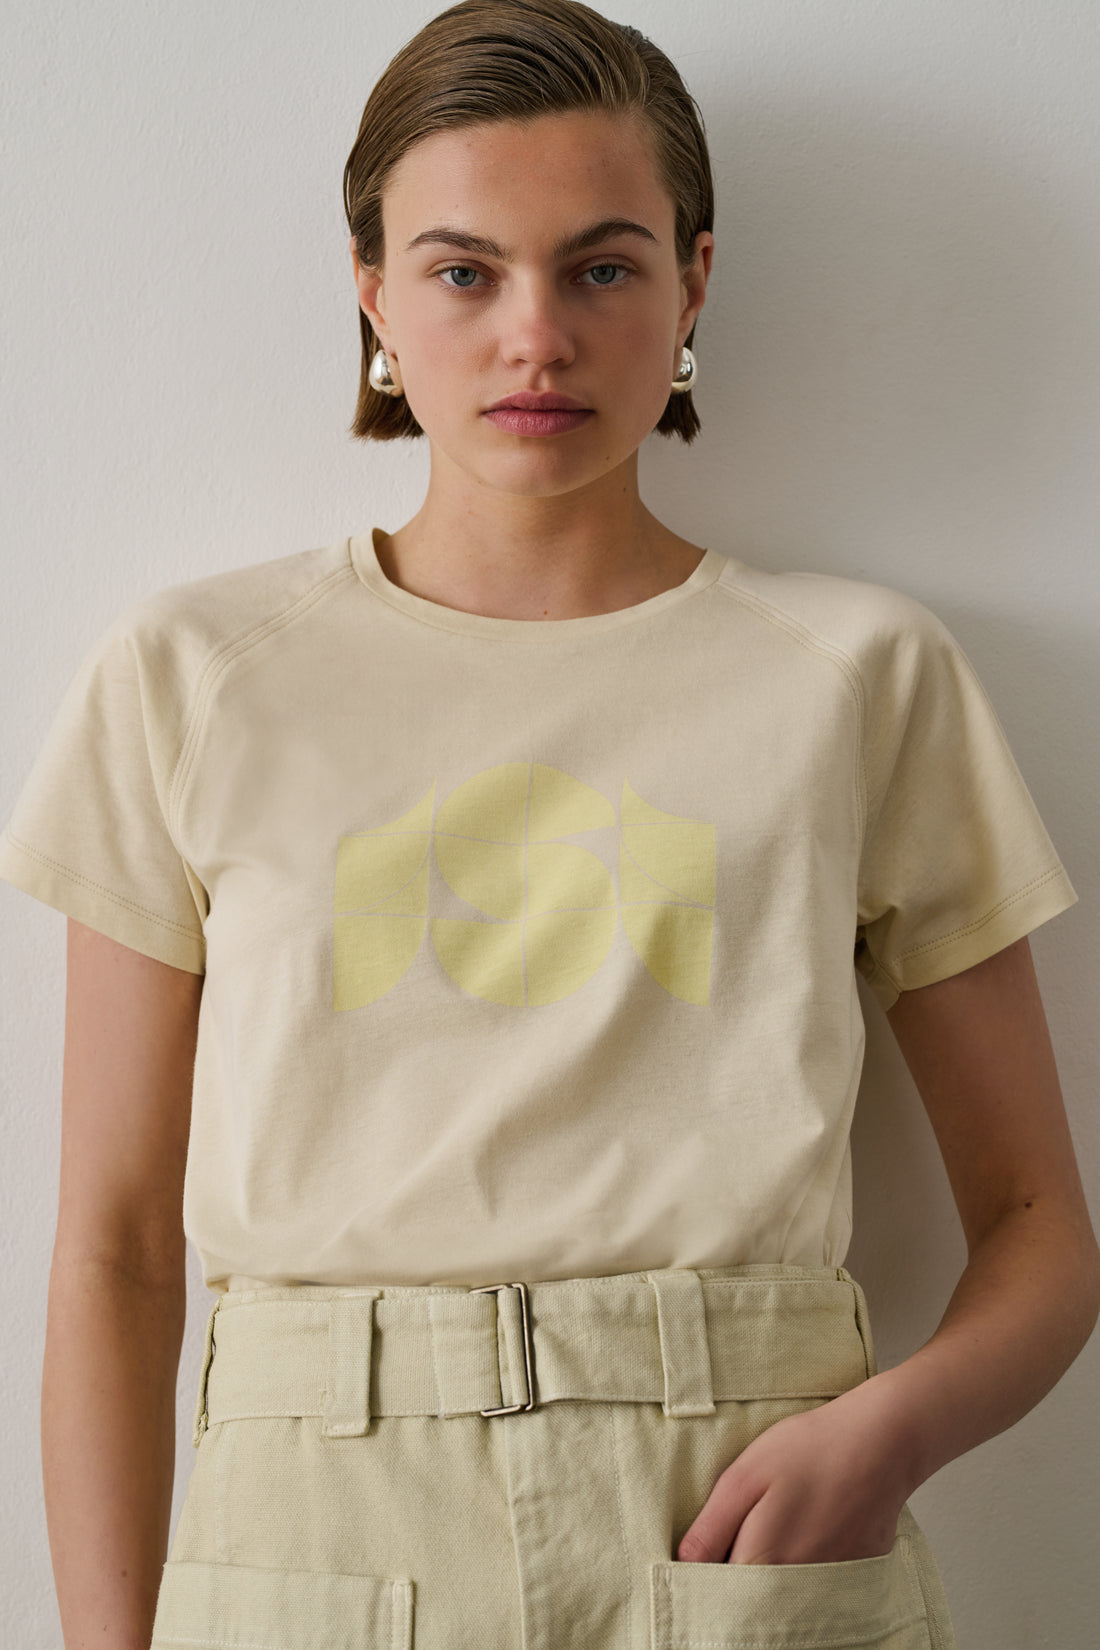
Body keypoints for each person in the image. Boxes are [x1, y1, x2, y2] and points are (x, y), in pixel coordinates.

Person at [2, 1, 1097, 1646]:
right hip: (310, 1527)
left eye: (601, 267)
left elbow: (1038, 1226)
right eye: (464, 271)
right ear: (372, 291)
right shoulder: (196, 677)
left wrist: (890, 1431)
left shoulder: (860, 676)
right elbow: (112, 1253)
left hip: (740, 1517)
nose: (537, 336)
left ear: (693, 284)